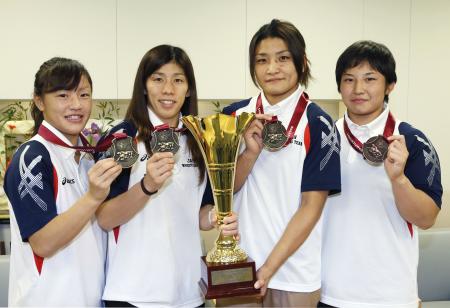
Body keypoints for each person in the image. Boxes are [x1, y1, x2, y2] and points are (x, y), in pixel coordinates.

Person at [95, 44, 238, 307]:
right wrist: (147, 185)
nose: (168, 89)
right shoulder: (122, 139)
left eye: (178, 80)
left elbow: (198, 213)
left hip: (187, 292)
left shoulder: (199, 138)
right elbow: (103, 218)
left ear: (189, 88)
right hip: (134, 293)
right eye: (158, 79)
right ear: (143, 86)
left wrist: (215, 218)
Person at [223, 19, 341, 307]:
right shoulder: (233, 116)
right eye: (262, 60)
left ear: (302, 63)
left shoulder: (320, 123)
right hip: (238, 267)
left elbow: (311, 207)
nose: (272, 69)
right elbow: (222, 191)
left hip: (295, 273)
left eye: (283, 58)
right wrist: (249, 155)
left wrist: (268, 268)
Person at [319, 40, 443, 308]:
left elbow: (427, 217)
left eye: (370, 79)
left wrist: (399, 179)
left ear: (390, 85)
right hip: (330, 291)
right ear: (339, 86)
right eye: (349, 79)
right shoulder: (323, 138)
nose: (358, 89)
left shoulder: (411, 140)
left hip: (391, 294)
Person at [3, 57, 122, 306]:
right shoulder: (32, 156)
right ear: (39, 101)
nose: (76, 105)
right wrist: (93, 198)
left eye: (84, 94)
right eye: (63, 95)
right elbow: (43, 242)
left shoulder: (91, 155)